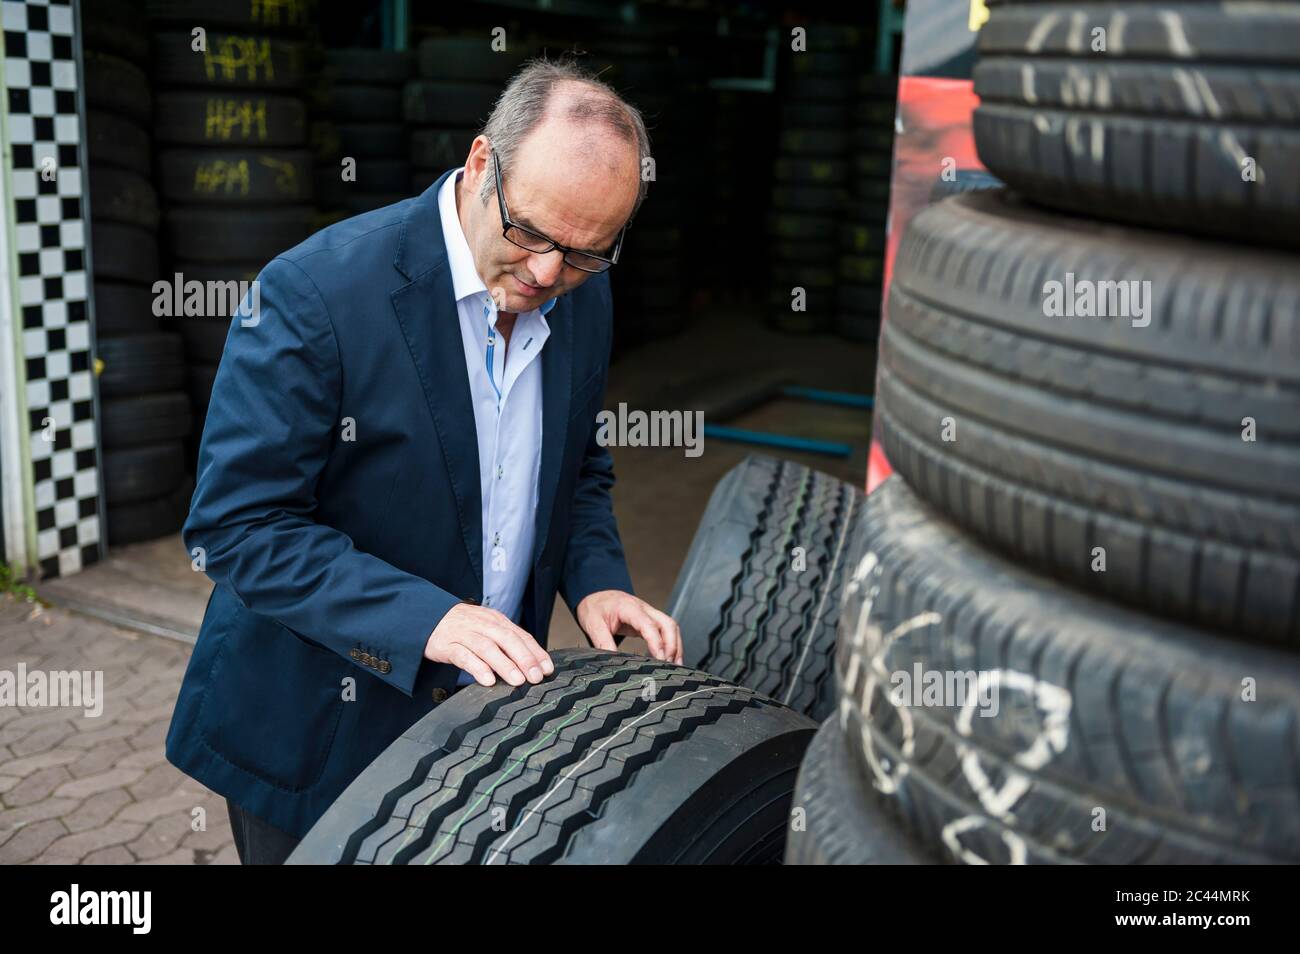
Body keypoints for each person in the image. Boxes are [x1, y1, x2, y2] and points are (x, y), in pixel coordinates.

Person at [165, 57, 683, 865]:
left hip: (477, 728)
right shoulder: (313, 295)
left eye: (587, 252)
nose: (549, 273)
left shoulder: (582, 289)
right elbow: (239, 528)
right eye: (532, 234)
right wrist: (425, 619)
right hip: (318, 734)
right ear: (482, 164)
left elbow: (575, 465)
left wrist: (597, 576)